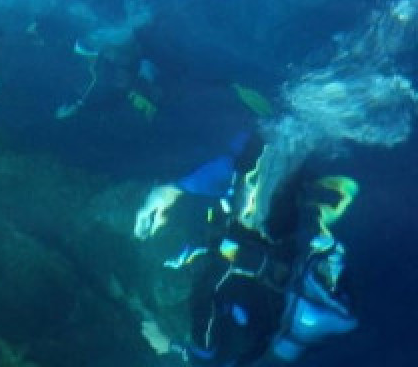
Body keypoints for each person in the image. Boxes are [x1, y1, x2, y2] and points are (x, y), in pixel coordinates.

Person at [134, 134, 358, 365]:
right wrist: (169, 190)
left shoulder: (226, 273)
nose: (238, 187)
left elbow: (214, 360)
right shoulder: (306, 228)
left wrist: (168, 344)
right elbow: (236, 168)